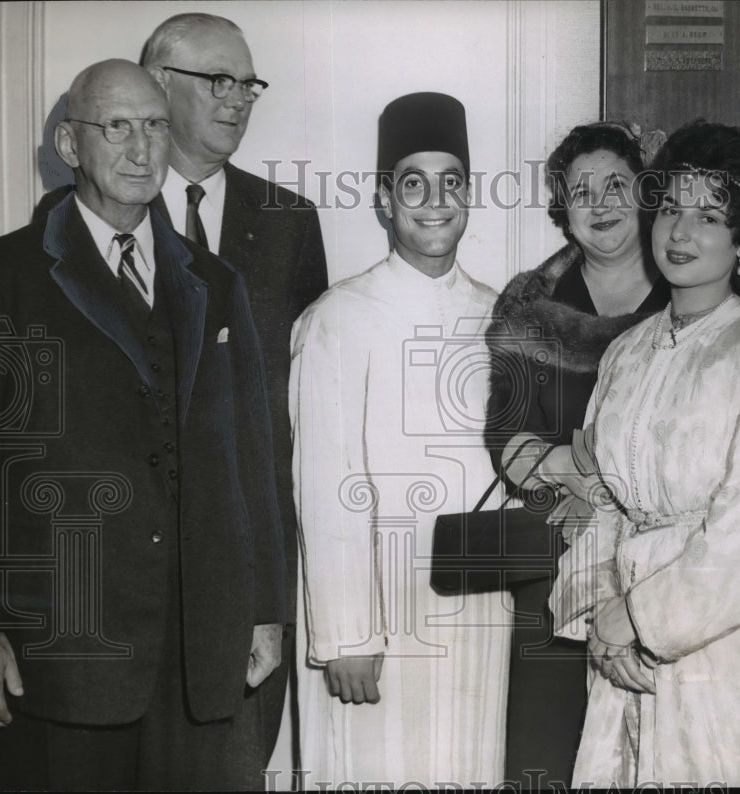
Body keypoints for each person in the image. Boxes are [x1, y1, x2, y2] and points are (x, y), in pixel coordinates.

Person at [0, 60, 284, 790]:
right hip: (61, 654)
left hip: (200, 651)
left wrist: (267, 609)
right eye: (116, 127)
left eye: (154, 126)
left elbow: (255, 454)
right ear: (68, 142)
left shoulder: (214, 283)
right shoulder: (3, 276)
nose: (142, 149)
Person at [34, 16, 329, 759]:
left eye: (248, 84)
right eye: (217, 80)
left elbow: (291, 415)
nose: (238, 100)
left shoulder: (291, 221)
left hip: (233, 573)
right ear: (158, 82)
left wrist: (271, 595)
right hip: (107, 585)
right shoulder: (76, 220)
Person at [544, 121, 740, 787]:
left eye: (709, 216)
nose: (680, 232)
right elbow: (601, 498)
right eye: (668, 209)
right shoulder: (625, 352)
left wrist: (640, 618)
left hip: (723, 647)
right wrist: (602, 621)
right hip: (619, 651)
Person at [290, 92, 509, 787]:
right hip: (375, 609)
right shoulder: (339, 318)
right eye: (413, 182)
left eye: (451, 183)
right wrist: (349, 635)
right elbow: (323, 482)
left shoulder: (501, 314)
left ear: (469, 197)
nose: (434, 201)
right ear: (386, 199)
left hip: (474, 604)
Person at [483, 120, 669, 786]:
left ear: (644, 193)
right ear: (563, 210)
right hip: (555, 557)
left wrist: (617, 484)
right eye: (581, 191)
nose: (602, 203)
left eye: (616, 184)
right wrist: (577, 474)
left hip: (661, 564)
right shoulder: (531, 307)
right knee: (546, 755)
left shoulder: (688, 294)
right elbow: (504, 435)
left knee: (653, 751)